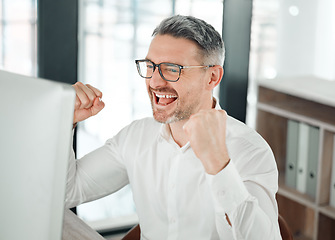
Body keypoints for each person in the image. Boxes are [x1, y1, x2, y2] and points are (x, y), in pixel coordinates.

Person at [66, 15, 282, 239]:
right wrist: (66, 122)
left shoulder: (250, 150)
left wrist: (219, 165)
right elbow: (65, 192)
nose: (155, 82)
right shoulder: (136, 137)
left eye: (171, 69)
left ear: (212, 77)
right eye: (151, 66)